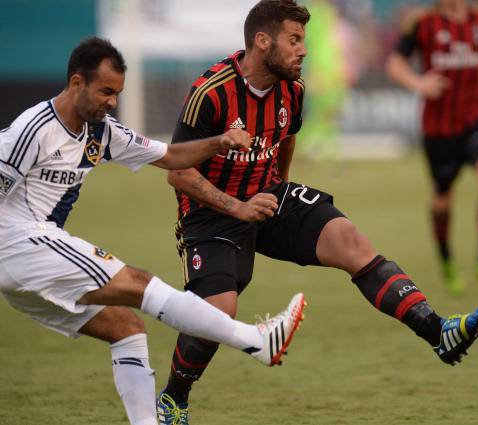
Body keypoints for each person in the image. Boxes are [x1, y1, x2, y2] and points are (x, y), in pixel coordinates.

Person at [159, 1, 478, 423]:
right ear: (263, 42)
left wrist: (278, 189)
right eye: (294, 40)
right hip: (211, 213)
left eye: (304, 40)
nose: (304, 50)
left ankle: (438, 331)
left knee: (350, 241)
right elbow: (177, 172)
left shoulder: (293, 90)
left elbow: (287, 140)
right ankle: (174, 399)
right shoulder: (210, 92)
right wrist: (239, 208)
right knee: (218, 311)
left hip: (266, 197)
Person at [0, 37, 306, 425]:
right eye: (105, 91)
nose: (113, 102)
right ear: (77, 83)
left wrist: (219, 141)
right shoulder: (33, 129)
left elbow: (171, 156)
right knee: (138, 283)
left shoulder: (101, 131)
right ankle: (255, 341)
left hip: (27, 268)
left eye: (117, 93)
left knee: (126, 328)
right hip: (18, 243)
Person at [386, 0, 478, 295]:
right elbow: (394, 64)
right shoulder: (423, 23)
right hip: (439, 129)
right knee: (442, 200)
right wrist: (419, 83)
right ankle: (447, 262)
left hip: (477, 120)